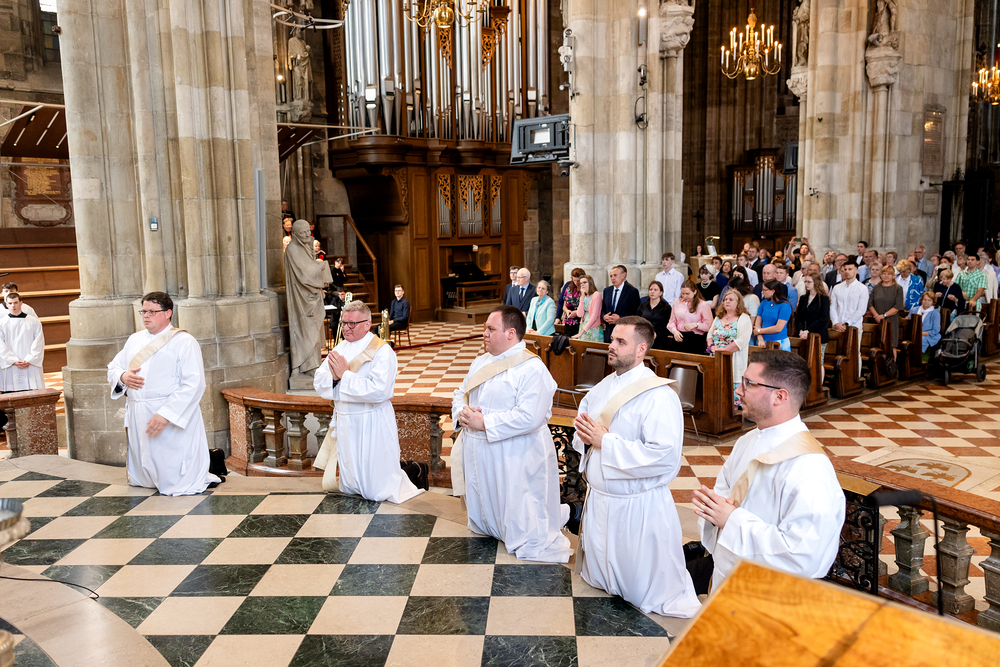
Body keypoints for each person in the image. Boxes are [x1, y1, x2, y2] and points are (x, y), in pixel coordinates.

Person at [572, 316, 701, 617]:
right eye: (612, 340)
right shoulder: (603, 386)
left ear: (641, 349)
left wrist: (606, 442)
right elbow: (585, 427)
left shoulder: (658, 395)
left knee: (639, 586)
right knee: (601, 579)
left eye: (621, 342)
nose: (611, 346)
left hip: (636, 504)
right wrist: (585, 437)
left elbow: (664, 455)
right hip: (602, 498)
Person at [693, 350, 846, 591]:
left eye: (749, 383)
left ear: (780, 396)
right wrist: (713, 509)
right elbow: (723, 494)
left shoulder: (810, 467)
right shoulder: (747, 441)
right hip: (726, 580)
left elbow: (804, 555)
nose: (738, 390)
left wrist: (731, 520)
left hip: (771, 595)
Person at [452, 306, 572, 562]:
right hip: (481, 450)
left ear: (510, 333)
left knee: (517, 503)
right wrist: (462, 412)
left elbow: (530, 416)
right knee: (486, 502)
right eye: (485, 328)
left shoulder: (531, 368)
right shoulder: (480, 362)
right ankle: (491, 526)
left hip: (515, 453)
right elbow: (460, 393)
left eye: (490, 329)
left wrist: (485, 422)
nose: (484, 333)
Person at [107, 291, 220, 496]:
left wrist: (166, 414)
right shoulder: (134, 340)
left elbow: (193, 383)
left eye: (152, 312)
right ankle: (147, 479)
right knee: (144, 463)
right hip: (138, 410)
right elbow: (114, 366)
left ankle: (179, 480)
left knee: (172, 466)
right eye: (143, 311)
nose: (146, 316)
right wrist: (123, 377)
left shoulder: (184, 341)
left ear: (168, 313)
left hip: (166, 411)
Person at [314, 300, 423, 502]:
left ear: (367, 324)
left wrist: (344, 376)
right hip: (346, 419)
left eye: (352, 324)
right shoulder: (340, 348)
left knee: (376, 486)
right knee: (350, 482)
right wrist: (336, 379)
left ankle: (415, 471)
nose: (346, 328)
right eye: (344, 323)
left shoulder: (382, 351)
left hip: (371, 421)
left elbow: (380, 390)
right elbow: (319, 381)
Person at [285, 220, 333, 376]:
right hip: (302, 298)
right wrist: (321, 266)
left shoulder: (305, 246)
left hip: (311, 294)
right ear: (295, 234)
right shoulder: (292, 249)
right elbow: (304, 273)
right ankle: (305, 366)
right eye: (303, 232)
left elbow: (309, 267)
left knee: (313, 331)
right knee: (305, 331)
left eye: (308, 231)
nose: (307, 235)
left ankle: (313, 364)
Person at [707, 290, 752, 407]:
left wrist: (723, 351)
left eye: (731, 300)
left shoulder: (744, 318)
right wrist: (711, 347)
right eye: (725, 300)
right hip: (716, 357)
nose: (727, 302)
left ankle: (733, 413)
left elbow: (742, 341)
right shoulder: (718, 317)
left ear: (738, 302)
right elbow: (709, 335)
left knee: (731, 401)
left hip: (733, 359)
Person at [830, 260, 868, 376]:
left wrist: (847, 323)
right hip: (838, 326)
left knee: (854, 352)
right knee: (838, 352)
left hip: (853, 326)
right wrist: (836, 322)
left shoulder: (862, 288)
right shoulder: (837, 287)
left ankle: (855, 377)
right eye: (845, 269)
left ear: (856, 271)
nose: (847, 272)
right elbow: (833, 307)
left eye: (850, 269)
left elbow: (861, 310)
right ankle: (840, 377)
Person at [0, 293, 44, 391]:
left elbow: (39, 342)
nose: (13, 306)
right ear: (6, 304)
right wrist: (13, 360)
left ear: (21, 303)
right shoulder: (2, 323)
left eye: (16, 302)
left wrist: (29, 359)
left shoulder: (34, 321)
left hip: (30, 364)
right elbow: (1, 345)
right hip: (11, 365)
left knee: (33, 394)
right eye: (10, 303)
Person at [667, 280, 713, 354]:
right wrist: (674, 331)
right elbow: (671, 322)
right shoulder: (677, 302)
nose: (684, 296)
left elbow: (709, 325)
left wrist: (696, 325)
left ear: (695, 292)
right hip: (679, 336)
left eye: (687, 294)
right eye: (683, 293)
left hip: (695, 338)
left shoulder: (703, 305)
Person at [869, 265, 906, 354]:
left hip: (891, 320)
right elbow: (870, 304)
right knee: (876, 345)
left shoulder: (898, 288)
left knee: (891, 345)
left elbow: (897, 306)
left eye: (889, 274)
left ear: (893, 276)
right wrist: (877, 316)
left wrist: (883, 316)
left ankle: (893, 363)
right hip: (877, 320)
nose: (886, 276)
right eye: (884, 273)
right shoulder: (876, 287)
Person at [795, 275, 831, 368]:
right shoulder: (803, 298)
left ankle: (819, 378)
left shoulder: (823, 299)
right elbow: (798, 317)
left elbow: (824, 318)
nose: (806, 284)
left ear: (816, 283)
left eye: (809, 282)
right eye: (805, 282)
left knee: (818, 362)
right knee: (803, 362)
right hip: (803, 334)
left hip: (818, 334)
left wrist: (808, 330)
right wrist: (801, 330)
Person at [600, 265, 640, 343]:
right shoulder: (607, 291)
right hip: (609, 332)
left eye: (615, 275)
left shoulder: (632, 291)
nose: (612, 278)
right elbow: (603, 310)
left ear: (623, 275)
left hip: (624, 332)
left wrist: (620, 318)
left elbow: (636, 314)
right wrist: (604, 316)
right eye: (611, 276)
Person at [754, 280, 792, 351]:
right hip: (763, 341)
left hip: (778, 341)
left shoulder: (785, 305)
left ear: (773, 291)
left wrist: (759, 331)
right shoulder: (763, 303)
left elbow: (778, 328)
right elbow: (758, 323)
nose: (762, 292)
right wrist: (760, 339)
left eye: (765, 290)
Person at [638, 280, 671, 350]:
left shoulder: (666, 307)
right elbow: (638, 321)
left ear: (661, 293)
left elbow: (668, 324)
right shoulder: (643, 306)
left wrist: (657, 333)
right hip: (644, 338)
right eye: (650, 290)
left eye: (655, 290)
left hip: (660, 340)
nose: (652, 292)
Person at [573, 275, 604, 342]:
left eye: (584, 282)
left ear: (590, 283)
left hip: (593, 327)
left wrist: (581, 332)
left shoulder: (596, 295)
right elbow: (579, 314)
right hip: (583, 325)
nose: (582, 285)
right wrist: (582, 297)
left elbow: (594, 316)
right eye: (581, 283)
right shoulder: (584, 296)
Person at [555, 268, 584, 336]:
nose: (576, 283)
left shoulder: (585, 287)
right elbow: (562, 303)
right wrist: (564, 312)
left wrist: (577, 312)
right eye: (574, 280)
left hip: (581, 320)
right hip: (569, 320)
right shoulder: (568, 287)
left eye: (578, 281)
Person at [912, 291, 941, 356]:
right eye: (925, 299)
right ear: (921, 300)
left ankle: (920, 358)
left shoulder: (935, 314)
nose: (926, 302)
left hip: (929, 336)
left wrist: (920, 333)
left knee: (921, 339)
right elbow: (907, 321)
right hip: (913, 333)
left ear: (933, 302)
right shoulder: (914, 310)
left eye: (929, 300)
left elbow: (936, 330)